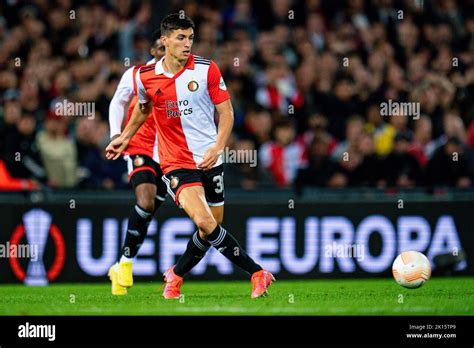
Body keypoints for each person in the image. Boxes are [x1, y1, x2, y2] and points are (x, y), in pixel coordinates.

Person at [106, 14, 274, 299]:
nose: (187, 44)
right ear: (165, 41)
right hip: (175, 163)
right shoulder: (145, 76)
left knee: (212, 227)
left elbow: (227, 113)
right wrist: (124, 137)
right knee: (206, 223)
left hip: (210, 158)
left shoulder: (206, 70)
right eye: (181, 38)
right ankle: (257, 272)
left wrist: (218, 147)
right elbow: (142, 109)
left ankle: (176, 275)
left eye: (190, 38)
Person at [107, 31, 168, 295]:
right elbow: (117, 102)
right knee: (146, 201)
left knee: (148, 214)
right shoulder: (137, 74)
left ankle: (120, 264)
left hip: (169, 153)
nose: (167, 52)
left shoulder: (187, 79)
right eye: (161, 47)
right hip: (139, 146)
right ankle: (127, 265)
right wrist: (115, 135)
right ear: (153, 51)